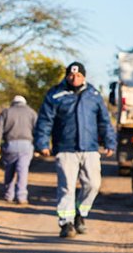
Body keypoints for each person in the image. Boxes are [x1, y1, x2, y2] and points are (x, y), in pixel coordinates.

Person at [35, 62, 116, 238]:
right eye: (71, 75)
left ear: (84, 77)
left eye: (78, 75)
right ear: (66, 76)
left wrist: (110, 142)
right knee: (67, 187)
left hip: (90, 148)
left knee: (93, 185)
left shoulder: (93, 94)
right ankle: (66, 223)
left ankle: (81, 213)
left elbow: (104, 121)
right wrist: (42, 143)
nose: (75, 78)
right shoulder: (55, 94)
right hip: (66, 148)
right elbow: (44, 120)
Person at [0, 95, 38, 204]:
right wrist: (38, 147)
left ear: (13, 103)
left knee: (9, 170)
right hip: (26, 145)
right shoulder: (32, 112)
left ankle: (9, 195)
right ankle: (21, 197)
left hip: (10, 145)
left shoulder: (6, 112)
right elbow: (38, 130)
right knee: (23, 171)